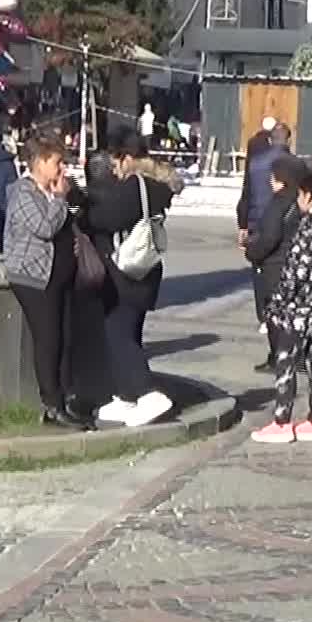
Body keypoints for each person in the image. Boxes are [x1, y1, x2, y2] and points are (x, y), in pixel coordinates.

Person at [76, 134, 177, 428]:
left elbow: (99, 219)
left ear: (126, 159)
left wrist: (75, 205)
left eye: (116, 160)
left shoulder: (127, 191)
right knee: (129, 332)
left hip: (124, 273)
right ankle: (126, 394)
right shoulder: (154, 188)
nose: (114, 167)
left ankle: (147, 393)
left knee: (118, 333)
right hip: (145, 270)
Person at [2, 135, 96, 430]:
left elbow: (78, 214)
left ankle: (67, 398)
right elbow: (43, 228)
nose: (61, 169)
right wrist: (58, 199)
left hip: (59, 275)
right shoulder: (23, 193)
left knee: (65, 337)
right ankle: (51, 405)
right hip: (33, 276)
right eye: (57, 163)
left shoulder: (57, 191)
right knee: (48, 339)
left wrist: (72, 199)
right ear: (40, 162)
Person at [252, 172, 312, 444]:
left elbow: (296, 272)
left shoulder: (309, 228)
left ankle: (282, 422)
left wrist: (276, 305)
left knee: (286, 362)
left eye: (300, 196)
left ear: (308, 196)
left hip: (301, 308)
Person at [245, 154, 312, 372]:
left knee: (275, 316)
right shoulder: (304, 200)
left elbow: (270, 237)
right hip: (301, 265)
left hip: (276, 266)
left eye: (274, 177)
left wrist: (252, 251)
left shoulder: (279, 203)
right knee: (297, 314)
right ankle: (299, 355)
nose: (270, 181)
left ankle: (279, 357)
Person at [238, 124, 294, 364]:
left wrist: (243, 225)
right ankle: (291, 348)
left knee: (264, 283)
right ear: (288, 140)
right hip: (290, 227)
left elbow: (246, 195)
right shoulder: (297, 165)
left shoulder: (256, 163)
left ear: (270, 140)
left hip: (259, 226)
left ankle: (268, 324)